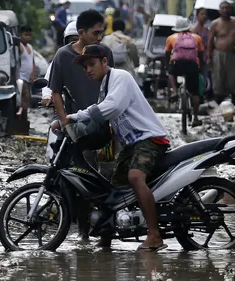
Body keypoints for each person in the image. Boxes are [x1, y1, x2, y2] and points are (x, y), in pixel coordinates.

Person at [63, 45, 171, 252]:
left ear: (105, 62)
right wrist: (70, 126)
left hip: (149, 139)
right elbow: (102, 119)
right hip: (132, 144)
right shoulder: (104, 87)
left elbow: (113, 107)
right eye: (85, 67)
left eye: (92, 64)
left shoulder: (121, 77)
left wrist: (75, 116)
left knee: (135, 177)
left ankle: (154, 234)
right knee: (112, 190)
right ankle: (106, 237)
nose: (88, 70)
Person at [49, 9, 115, 240]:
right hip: (79, 130)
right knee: (82, 180)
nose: (100, 37)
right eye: (96, 33)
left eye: (102, 32)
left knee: (109, 179)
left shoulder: (105, 52)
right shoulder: (63, 56)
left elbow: (110, 88)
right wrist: (64, 120)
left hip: (105, 127)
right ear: (81, 33)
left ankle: (107, 230)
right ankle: (84, 233)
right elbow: (55, 91)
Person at [165, 16, 203, 127]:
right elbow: (201, 54)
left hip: (178, 65)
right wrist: (200, 67)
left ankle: (175, 91)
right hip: (192, 66)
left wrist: (168, 66)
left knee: (171, 73)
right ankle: (195, 118)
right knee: (195, 93)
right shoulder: (197, 38)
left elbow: (167, 53)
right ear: (188, 27)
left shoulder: (171, 38)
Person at [207, 1, 235, 105]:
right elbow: (210, 40)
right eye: (223, 8)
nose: (225, 10)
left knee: (233, 78)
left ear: (231, 10)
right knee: (218, 78)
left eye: (227, 8)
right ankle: (218, 100)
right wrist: (209, 56)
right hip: (218, 54)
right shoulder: (215, 23)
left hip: (233, 54)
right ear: (219, 10)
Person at [41, 21, 79, 107]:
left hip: (90, 106)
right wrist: (47, 96)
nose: (76, 44)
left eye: (80, 40)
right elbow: (49, 79)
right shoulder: (60, 58)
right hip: (67, 106)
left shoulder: (92, 58)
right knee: (56, 121)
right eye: (73, 40)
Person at [18, 25, 39, 117]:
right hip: (21, 77)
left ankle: (24, 117)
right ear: (20, 35)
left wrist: (33, 74)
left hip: (28, 77)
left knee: (27, 98)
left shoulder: (30, 47)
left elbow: (33, 62)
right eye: (25, 35)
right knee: (25, 96)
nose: (28, 37)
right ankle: (21, 117)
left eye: (30, 35)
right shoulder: (19, 46)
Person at [192, 8, 212, 100]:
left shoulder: (207, 30)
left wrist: (208, 56)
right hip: (194, 55)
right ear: (197, 16)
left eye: (205, 14)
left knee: (203, 77)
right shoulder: (192, 29)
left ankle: (201, 95)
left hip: (204, 55)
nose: (203, 16)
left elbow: (209, 44)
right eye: (201, 14)